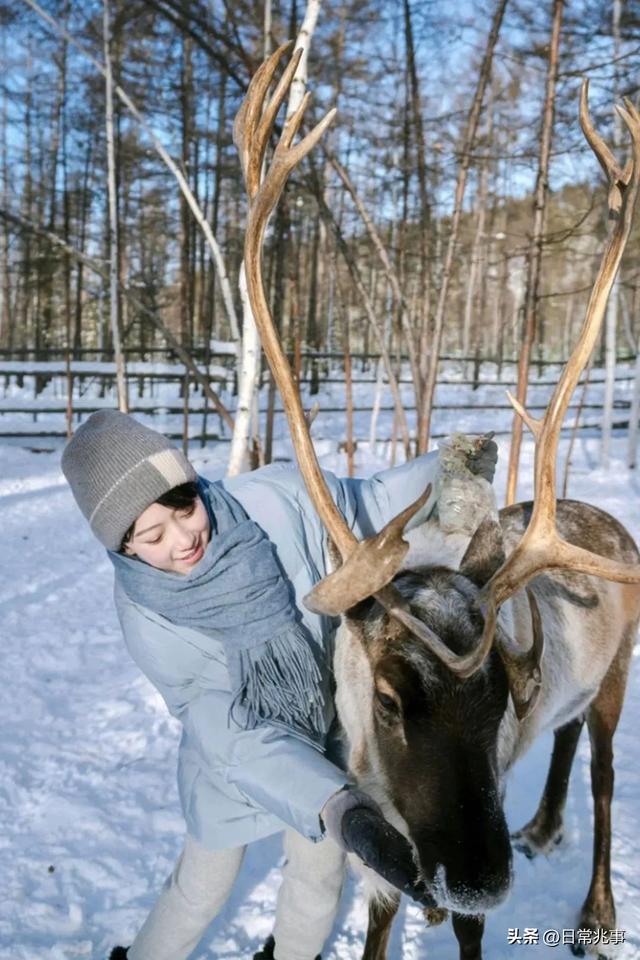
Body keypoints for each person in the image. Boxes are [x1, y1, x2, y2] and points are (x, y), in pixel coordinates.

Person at [61, 410, 497, 960]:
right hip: (236, 766)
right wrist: (337, 806)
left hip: (328, 735)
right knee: (200, 889)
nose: (184, 538)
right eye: (152, 535)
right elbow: (224, 730)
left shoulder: (275, 501)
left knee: (316, 885)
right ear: (122, 548)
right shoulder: (147, 620)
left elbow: (369, 505)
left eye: (186, 509)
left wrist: (446, 465)